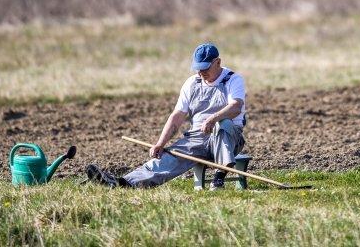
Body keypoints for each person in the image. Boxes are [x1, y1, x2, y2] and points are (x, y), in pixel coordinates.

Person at [86, 43, 246, 189]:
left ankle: (219, 178)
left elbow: (236, 107)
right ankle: (123, 183)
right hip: (197, 138)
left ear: (217, 62)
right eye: (198, 68)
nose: (200, 72)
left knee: (222, 124)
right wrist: (160, 143)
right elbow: (177, 115)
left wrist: (213, 118)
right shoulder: (192, 83)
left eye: (205, 68)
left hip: (230, 138)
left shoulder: (232, 79)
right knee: (165, 160)